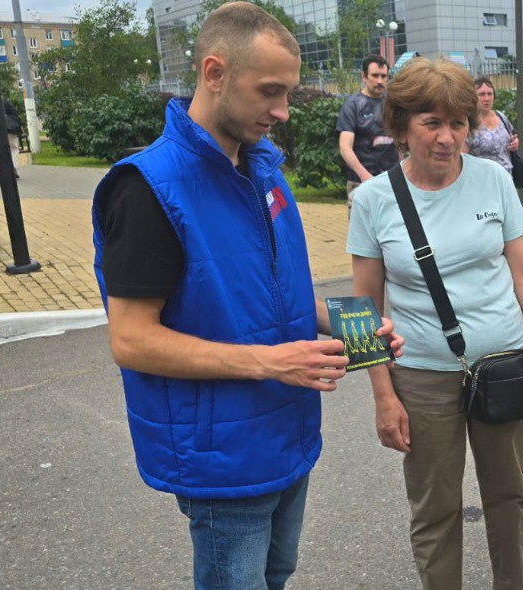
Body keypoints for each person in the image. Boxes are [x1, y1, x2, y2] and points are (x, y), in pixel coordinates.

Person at [90, 3, 404, 589]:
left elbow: (279, 298)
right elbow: (130, 340)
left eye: (288, 92)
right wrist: (272, 362)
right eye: (269, 92)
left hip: (287, 434)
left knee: (276, 574)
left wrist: (356, 328)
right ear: (214, 73)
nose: (282, 111)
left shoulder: (264, 171)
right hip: (222, 457)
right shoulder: (148, 189)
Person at [347, 57, 523, 590]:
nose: (447, 138)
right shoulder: (372, 201)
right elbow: (362, 310)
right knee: (434, 508)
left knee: (508, 496)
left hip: (505, 365)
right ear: (401, 125)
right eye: (432, 123)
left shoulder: (493, 181)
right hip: (422, 378)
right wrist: (383, 396)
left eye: (458, 123)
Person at [336, 53, 399, 216]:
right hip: (360, 182)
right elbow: (345, 147)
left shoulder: (393, 104)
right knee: (361, 229)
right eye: (375, 75)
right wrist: (366, 176)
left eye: (384, 76)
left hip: (392, 181)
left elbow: (402, 141)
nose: (380, 81)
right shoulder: (353, 106)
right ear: (364, 76)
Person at [462, 77, 518, 173]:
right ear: (473, 97)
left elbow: (512, 137)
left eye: (489, 94)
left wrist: (515, 143)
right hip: (482, 177)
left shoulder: (500, 116)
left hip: (506, 177)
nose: (487, 98)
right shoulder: (469, 122)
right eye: (482, 94)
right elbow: (462, 158)